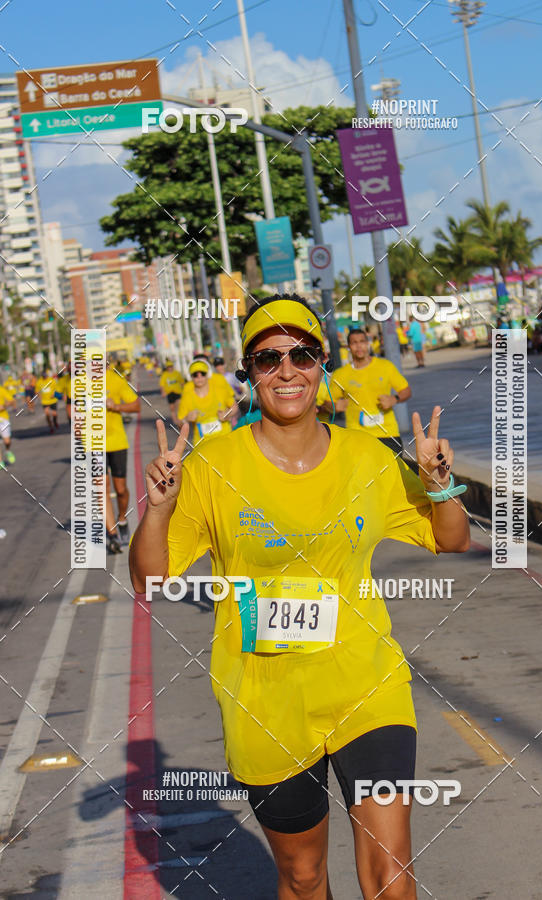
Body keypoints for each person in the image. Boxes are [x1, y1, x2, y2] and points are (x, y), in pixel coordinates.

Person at [130, 293, 470, 900]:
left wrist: (439, 484)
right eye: (268, 358)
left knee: (391, 872)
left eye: (303, 354)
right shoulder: (212, 466)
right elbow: (150, 579)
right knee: (303, 876)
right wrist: (156, 511)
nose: (287, 370)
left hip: (365, 680)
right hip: (266, 696)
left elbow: (454, 540)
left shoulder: (368, 457)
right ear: (249, 372)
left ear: (323, 366)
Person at [329, 327, 411, 458]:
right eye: (354, 343)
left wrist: (394, 399)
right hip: (357, 436)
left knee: (394, 476)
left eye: (362, 341)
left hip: (387, 433)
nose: (359, 346)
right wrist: (334, 407)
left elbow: (406, 390)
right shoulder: (340, 375)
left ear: (368, 343)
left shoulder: (385, 366)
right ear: (349, 346)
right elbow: (329, 403)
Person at [105, 361, 141, 553]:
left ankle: (122, 519)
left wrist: (116, 406)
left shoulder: (116, 380)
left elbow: (136, 406)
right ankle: (112, 536)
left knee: (120, 489)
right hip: (92, 444)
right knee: (101, 489)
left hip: (116, 441)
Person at [177, 358, 236, 445]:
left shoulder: (219, 390)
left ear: (207, 375)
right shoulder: (187, 397)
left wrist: (228, 414)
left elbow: (234, 407)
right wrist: (186, 419)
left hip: (225, 439)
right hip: (202, 445)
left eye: (203, 374)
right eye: (195, 375)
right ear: (191, 377)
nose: (199, 377)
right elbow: (180, 423)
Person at [213, 356, 244, 427]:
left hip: (232, 405)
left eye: (221, 364)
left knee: (235, 425)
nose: (219, 367)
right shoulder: (213, 379)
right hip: (221, 407)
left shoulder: (231, 376)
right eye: (217, 365)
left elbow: (239, 390)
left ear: (224, 364)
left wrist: (240, 390)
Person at [35, 369, 59, 433]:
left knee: (54, 414)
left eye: (45, 375)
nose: (44, 376)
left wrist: (54, 394)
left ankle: (55, 421)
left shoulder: (51, 380)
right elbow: (37, 390)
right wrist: (39, 396)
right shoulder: (39, 382)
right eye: (43, 375)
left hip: (53, 400)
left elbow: (56, 388)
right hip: (44, 401)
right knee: (47, 414)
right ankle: (51, 427)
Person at [0, 381, 16, 467]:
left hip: (3, 418)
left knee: (7, 441)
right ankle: (0, 461)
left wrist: (4, 405)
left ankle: (7, 450)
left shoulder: (1, 389)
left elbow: (11, 400)